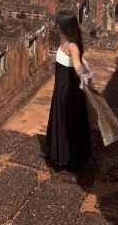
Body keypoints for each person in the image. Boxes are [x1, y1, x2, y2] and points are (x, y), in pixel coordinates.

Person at [42, 9, 92, 170]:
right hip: (61, 87)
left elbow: (77, 64)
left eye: (59, 24)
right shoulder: (64, 39)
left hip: (68, 89)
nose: (56, 26)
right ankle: (54, 150)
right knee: (58, 116)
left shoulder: (72, 46)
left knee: (66, 119)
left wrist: (83, 76)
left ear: (65, 26)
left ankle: (68, 156)